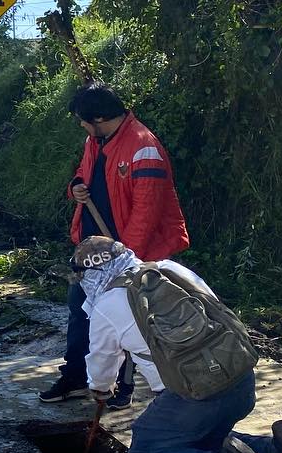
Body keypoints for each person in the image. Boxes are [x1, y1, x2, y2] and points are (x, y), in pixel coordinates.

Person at [74, 236, 282, 453]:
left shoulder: (105, 306)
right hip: (240, 379)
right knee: (202, 437)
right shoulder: (170, 269)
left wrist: (100, 389)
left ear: (90, 276)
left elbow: (102, 362)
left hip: (195, 396)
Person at [40, 83, 189, 410]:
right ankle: (77, 376)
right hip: (93, 250)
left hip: (126, 254)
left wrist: (124, 262)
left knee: (130, 318)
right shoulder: (95, 140)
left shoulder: (142, 148)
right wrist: (75, 188)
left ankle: (126, 385)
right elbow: (83, 175)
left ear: (101, 117)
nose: (81, 125)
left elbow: (145, 214)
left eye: (83, 119)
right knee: (80, 311)